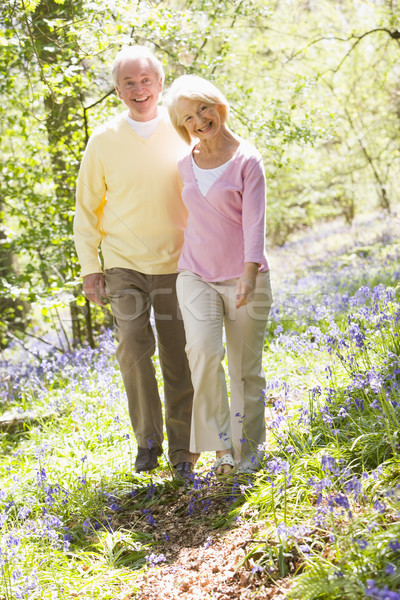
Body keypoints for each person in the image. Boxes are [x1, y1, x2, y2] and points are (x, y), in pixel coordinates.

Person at [73, 46, 197, 481]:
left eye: (146, 80)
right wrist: (91, 267)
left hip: (177, 263)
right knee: (133, 347)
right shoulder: (103, 140)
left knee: (179, 355)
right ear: (117, 89)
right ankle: (147, 443)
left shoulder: (184, 130)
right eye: (129, 82)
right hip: (123, 264)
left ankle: (184, 450)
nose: (138, 89)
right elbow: (86, 209)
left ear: (160, 84)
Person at [164, 75, 273, 475]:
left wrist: (248, 273)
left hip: (246, 276)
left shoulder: (247, 159)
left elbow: (255, 225)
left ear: (218, 106)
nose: (198, 121)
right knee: (205, 354)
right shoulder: (184, 165)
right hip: (195, 274)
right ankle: (221, 448)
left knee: (246, 369)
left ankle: (247, 453)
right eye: (188, 117)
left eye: (203, 109)